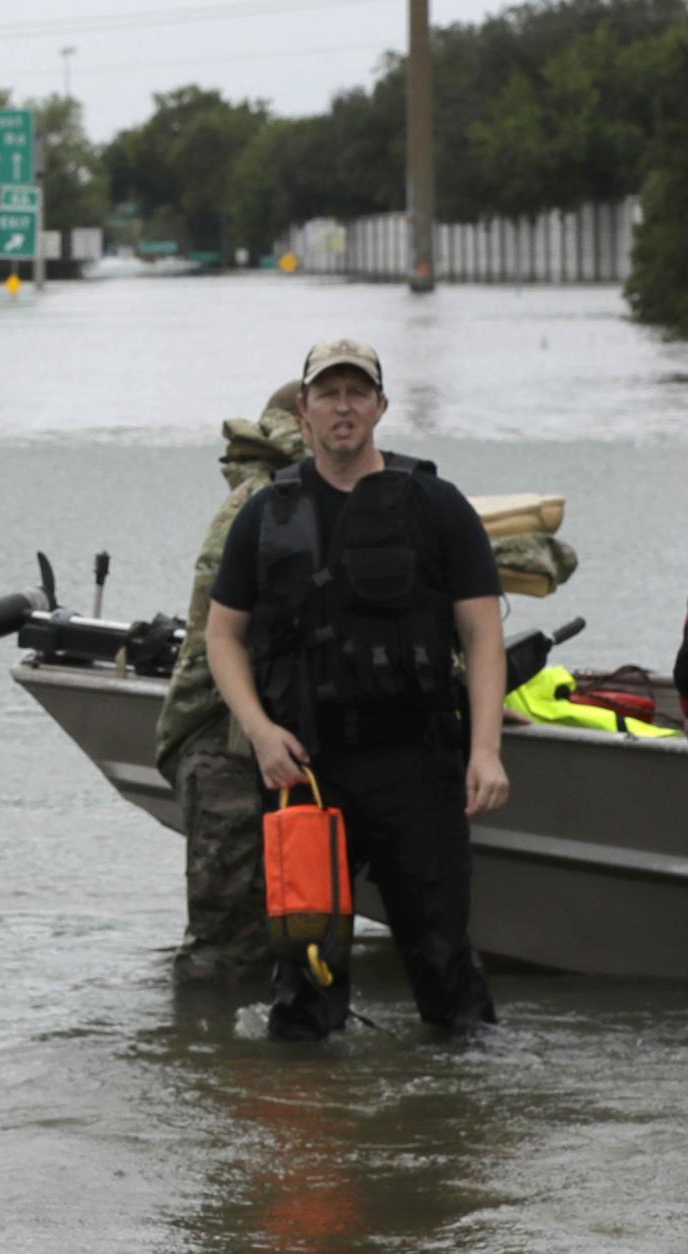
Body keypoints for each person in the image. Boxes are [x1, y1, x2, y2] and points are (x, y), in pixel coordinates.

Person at [203, 338, 507, 1039]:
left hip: (418, 765)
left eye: (357, 392)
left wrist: (485, 751)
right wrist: (258, 729)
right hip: (306, 771)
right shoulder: (265, 514)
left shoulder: (436, 506)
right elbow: (223, 636)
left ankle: (461, 1124)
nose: (344, 407)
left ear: (380, 406)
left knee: (445, 967)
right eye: (329, 394)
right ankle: (309, 1129)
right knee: (305, 973)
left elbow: (482, 634)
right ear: (304, 411)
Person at [152, 382, 303, 983]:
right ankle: (210, 1059)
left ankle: (230, 1065)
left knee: (283, 926)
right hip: (224, 742)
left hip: (259, 736)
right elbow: (217, 637)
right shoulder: (260, 503)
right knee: (228, 946)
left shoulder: (280, 496)